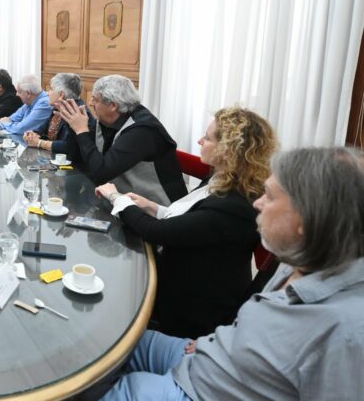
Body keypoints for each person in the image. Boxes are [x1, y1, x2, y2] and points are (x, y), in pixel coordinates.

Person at [101, 147, 364, 401]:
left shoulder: (348, 331)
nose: (258, 203)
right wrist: (219, 341)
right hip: (205, 354)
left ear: (306, 219)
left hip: (199, 390)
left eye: (270, 197)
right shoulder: (299, 260)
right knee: (109, 337)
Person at [96, 107, 278, 338]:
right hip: (188, 280)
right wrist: (152, 206)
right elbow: (193, 221)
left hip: (193, 310)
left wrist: (116, 197)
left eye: (208, 138)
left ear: (228, 150)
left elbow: (156, 232)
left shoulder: (235, 204)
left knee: (112, 300)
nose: (200, 140)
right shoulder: (225, 178)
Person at [58, 74, 186, 204]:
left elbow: (101, 174)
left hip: (159, 209)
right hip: (121, 201)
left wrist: (81, 130)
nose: (90, 103)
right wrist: (73, 126)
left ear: (113, 106)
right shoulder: (108, 120)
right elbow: (80, 159)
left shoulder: (142, 130)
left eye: (95, 99)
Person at [23, 73, 90, 155]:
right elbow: (42, 129)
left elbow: (68, 146)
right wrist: (32, 134)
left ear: (61, 94)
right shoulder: (57, 108)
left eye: (51, 89)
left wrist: (39, 143)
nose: (47, 93)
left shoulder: (78, 113)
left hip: (74, 165)